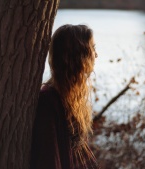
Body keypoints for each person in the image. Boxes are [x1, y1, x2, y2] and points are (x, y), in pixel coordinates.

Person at [30, 24, 99, 169]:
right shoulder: (48, 101)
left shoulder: (70, 97)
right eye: (93, 48)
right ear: (80, 55)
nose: (96, 55)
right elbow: (48, 159)